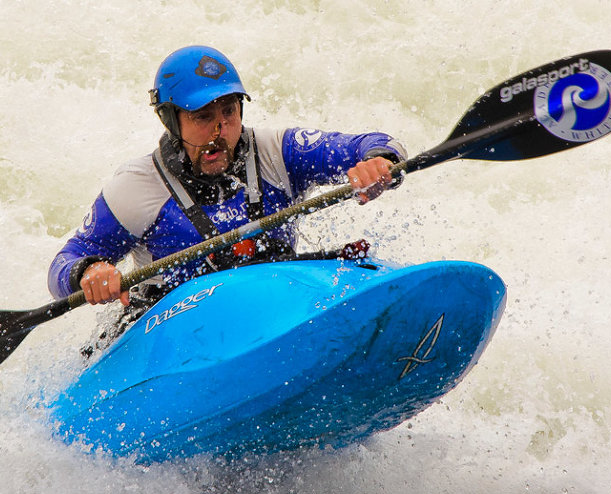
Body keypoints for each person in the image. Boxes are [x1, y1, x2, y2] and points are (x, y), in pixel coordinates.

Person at [48, 45, 406, 308]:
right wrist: (88, 272)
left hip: (276, 303)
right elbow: (65, 263)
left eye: (229, 112)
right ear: (171, 120)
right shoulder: (136, 187)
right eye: (203, 116)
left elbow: (374, 144)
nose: (221, 130)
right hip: (178, 326)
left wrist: (378, 161)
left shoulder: (277, 151)